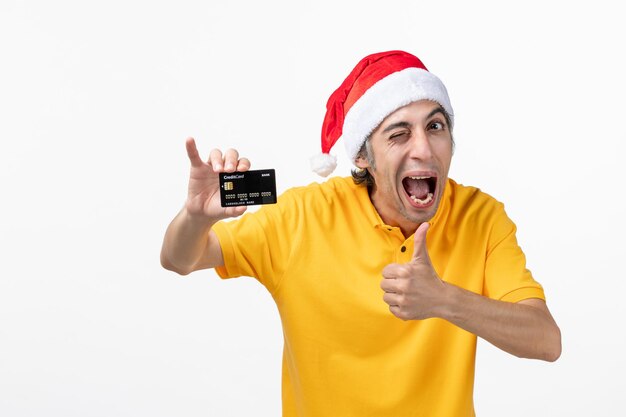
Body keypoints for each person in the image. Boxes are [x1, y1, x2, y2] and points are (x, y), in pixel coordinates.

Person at [160, 50, 561, 417]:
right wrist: (196, 217)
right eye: (399, 133)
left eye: (435, 126)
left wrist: (443, 299)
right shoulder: (303, 217)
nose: (423, 148)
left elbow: (546, 341)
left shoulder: (481, 217)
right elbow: (180, 259)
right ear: (362, 157)